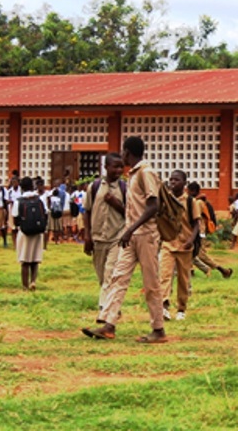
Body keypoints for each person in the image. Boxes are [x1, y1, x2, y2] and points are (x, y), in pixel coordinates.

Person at [82, 136, 166, 344]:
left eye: (123, 152)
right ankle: (109, 324)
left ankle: (158, 329)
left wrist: (132, 228)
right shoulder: (134, 174)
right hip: (131, 235)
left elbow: (153, 205)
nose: (122, 155)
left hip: (145, 235)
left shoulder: (146, 173)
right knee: (118, 277)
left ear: (128, 152)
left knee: (151, 283)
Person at [84, 153, 127, 309]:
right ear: (106, 167)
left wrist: (116, 204)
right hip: (98, 238)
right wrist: (87, 236)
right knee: (102, 276)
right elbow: (87, 211)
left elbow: (130, 213)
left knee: (111, 273)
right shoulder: (94, 187)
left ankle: (105, 309)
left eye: (121, 166)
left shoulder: (124, 188)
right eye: (115, 166)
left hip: (117, 237)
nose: (119, 170)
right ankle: (112, 306)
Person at [159, 170, 201, 321]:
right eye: (171, 180)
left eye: (176, 180)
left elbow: (197, 223)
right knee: (164, 276)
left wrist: (191, 239)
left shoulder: (191, 202)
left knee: (183, 280)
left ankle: (181, 309)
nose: (172, 182)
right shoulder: (166, 200)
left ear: (184, 183)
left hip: (184, 246)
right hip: (168, 244)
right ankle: (164, 306)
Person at [187, 183, 233, 279]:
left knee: (200, 255)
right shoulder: (198, 201)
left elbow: (195, 218)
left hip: (198, 232)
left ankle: (222, 270)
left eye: (188, 191)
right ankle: (190, 271)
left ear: (192, 191)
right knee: (190, 253)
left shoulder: (198, 203)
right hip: (197, 232)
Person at [11, 177, 45, 290]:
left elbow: (15, 219)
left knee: (24, 260)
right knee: (35, 260)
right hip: (38, 232)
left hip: (24, 232)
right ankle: (33, 281)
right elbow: (45, 214)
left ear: (22, 187)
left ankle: (25, 286)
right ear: (32, 186)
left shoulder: (19, 201)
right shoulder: (40, 200)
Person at [7, 176, 22, 249]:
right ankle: (14, 244)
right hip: (12, 209)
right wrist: (10, 202)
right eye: (13, 182)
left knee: (20, 228)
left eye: (15, 182)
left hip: (20, 210)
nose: (14, 183)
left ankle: (20, 244)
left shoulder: (21, 191)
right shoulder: (10, 191)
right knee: (13, 228)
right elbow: (6, 200)